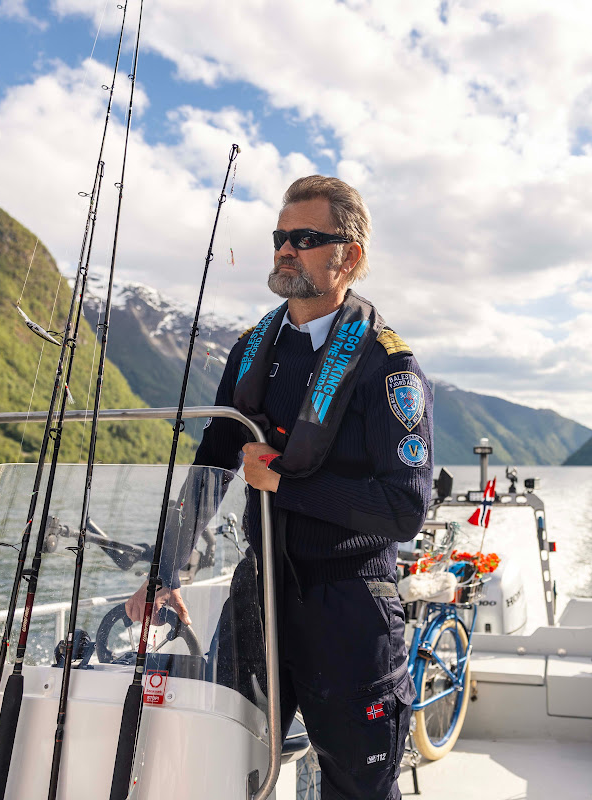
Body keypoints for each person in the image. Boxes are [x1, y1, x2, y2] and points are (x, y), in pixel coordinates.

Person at [126, 175, 433, 799]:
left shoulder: (387, 365)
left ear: (348, 256)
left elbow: (405, 510)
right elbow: (211, 467)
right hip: (256, 596)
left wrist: (286, 488)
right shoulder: (249, 353)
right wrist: (167, 570)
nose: (285, 250)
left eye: (305, 238)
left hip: (349, 606)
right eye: (279, 238)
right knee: (216, 767)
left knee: (358, 788)